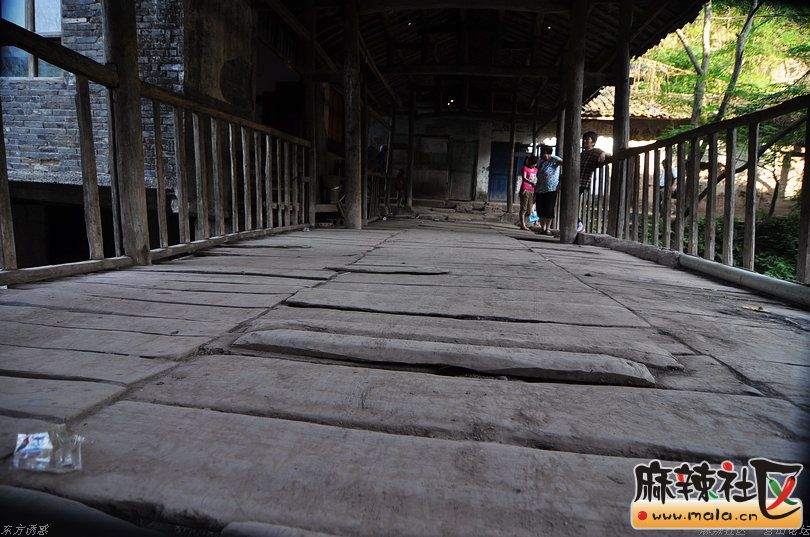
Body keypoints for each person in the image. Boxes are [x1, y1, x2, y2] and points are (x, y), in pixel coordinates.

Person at [578, 131, 608, 232]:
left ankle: (579, 224)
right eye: (584, 139)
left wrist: (603, 154)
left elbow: (607, 154)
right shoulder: (581, 154)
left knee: (571, 203)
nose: (584, 141)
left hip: (583, 181)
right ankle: (577, 224)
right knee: (569, 203)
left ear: (593, 142)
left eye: (587, 139)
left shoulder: (595, 151)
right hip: (575, 181)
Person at [533, 145, 562, 235]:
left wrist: (561, 181)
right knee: (540, 209)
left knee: (549, 209)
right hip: (539, 189)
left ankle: (548, 229)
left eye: (541, 153)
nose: (540, 155)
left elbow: (564, 164)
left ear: (545, 152)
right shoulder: (541, 162)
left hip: (551, 189)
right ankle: (543, 228)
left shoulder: (554, 159)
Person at [517, 155, 539, 230]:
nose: (534, 165)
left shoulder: (536, 170)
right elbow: (524, 178)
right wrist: (531, 182)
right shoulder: (525, 168)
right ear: (529, 162)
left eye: (535, 164)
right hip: (525, 189)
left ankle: (524, 224)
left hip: (532, 190)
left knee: (529, 210)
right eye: (533, 164)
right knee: (524, 208)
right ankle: (523, 225)